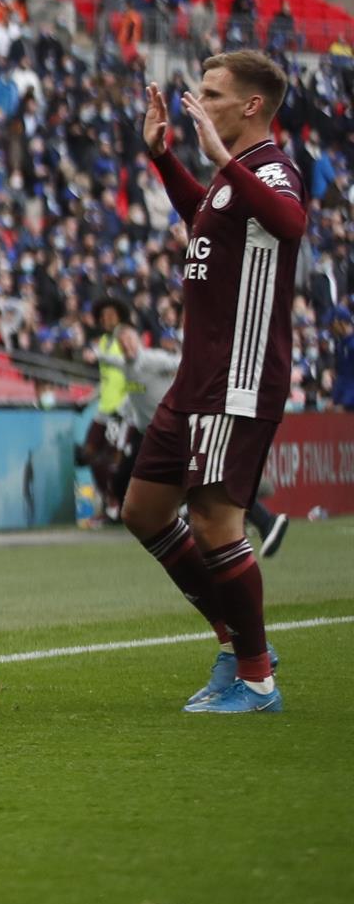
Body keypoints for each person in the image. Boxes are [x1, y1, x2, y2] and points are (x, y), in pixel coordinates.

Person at [121, 53, 304, 714]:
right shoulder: (236, 180)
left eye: (213, 92)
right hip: (197, 380)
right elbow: (205, 219)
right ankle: (234, 637)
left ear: (251, 105)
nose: (200, 99)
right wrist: (165, 158)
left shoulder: (273, 168)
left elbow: (290, 223)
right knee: (143, 509)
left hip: (239, 377)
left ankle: (257, 679)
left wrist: (219, 155)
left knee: (215, 520)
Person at [113, 324, 290, 558]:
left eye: (129, 340)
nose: (127, 345)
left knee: (203, 481)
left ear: (138, 340)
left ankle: (261, 520)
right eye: (122, 342)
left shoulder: (152, 359)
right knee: (199, 482)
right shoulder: (127, 368)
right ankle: (258, 521)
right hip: (160, 434)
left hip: (179, 431)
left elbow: (181, 364)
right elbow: (136, 397)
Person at [78, 297, 138, 524]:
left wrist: (125, 405)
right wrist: (88, 398)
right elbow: (106, 380)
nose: (106, 319)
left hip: (122, 411)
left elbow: (132, 374)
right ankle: (111, 502)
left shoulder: (126, 340)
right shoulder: (103, 342)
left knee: (116, 459)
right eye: (103, 316)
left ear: (120, 317)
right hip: (104, 410)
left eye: (111, 315)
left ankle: (121, 506)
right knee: (88, 454)